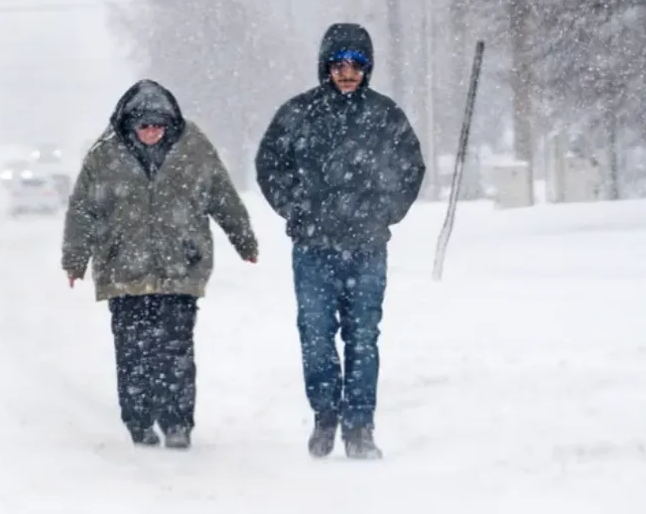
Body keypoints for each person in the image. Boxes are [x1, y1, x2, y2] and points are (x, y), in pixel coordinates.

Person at [254, 23, 425, 460]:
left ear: (367, 69)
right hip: (313, 249)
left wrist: (385, 212)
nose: (347, 73)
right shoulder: (298, 114)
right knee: (315, 336)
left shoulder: (385, 116)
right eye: (339, 65)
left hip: (367, 248)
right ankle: (325, 415)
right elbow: (270, 165)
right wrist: (297, 209)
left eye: (356, 65)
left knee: (363, 338)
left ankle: (360, 427)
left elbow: (410, 167)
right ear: (326, 67)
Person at [61, 79, 259, 450]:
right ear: (129, 125)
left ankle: (177, 421)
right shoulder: (104, 156)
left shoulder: (195, 150)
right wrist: (75, 259)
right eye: (144, 125)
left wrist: (243, 239)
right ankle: (138, 421)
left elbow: (222, 195)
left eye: (158, 125)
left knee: (176, 349)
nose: (152, 132)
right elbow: (82, 210)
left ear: (170, 124)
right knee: (133, 351)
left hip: (179, 269)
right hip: (124, 274)